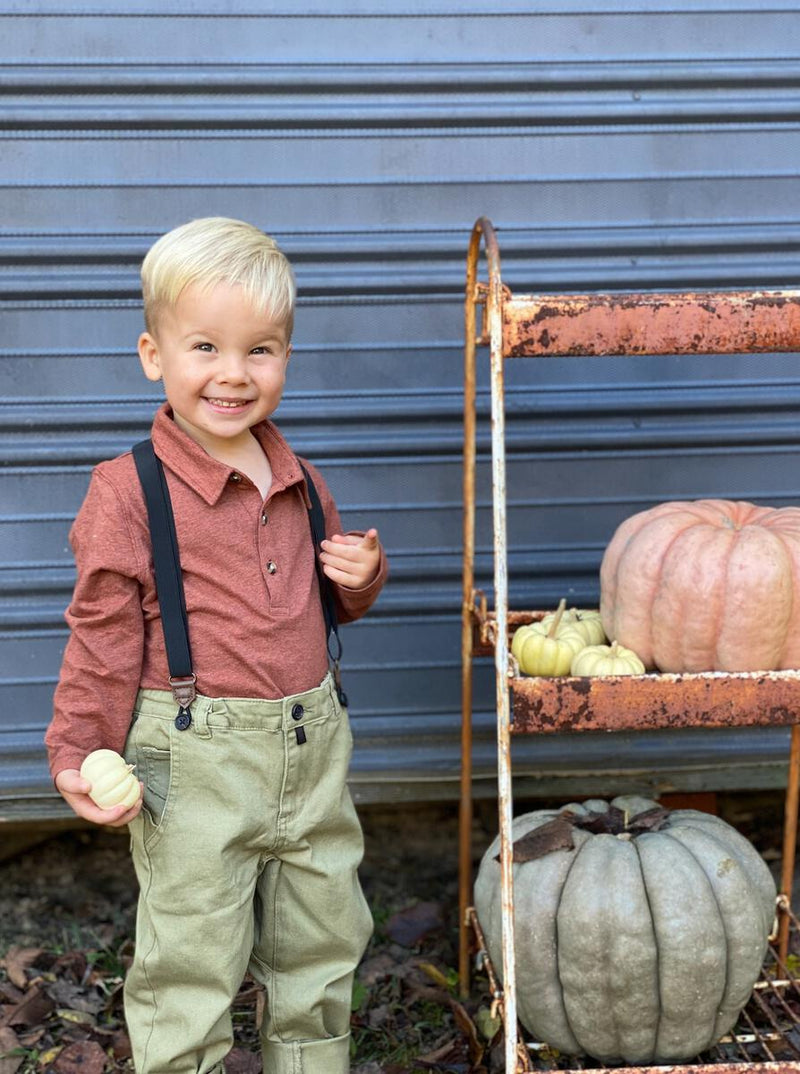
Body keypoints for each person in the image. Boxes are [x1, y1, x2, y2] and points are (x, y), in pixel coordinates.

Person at [45, 217, 388, 1074]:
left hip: (313, 755)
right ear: (153, 354)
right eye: (205, 346)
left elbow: (320, 609)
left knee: (321, 943)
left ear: (285, 357)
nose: (234, 374)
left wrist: (359, 576)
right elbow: (101, 635)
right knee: (191, 961)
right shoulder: (127, 492)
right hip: (194, 767)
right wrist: (81, 749)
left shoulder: (299, 476)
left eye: (261, 350)